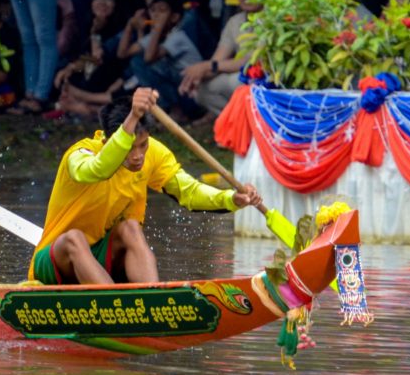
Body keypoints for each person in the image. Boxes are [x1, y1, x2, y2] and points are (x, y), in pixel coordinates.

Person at [30, 88, 259, 285]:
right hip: (54, 261)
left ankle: (152, 296)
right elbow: (99, 168)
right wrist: (132, 116)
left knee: (130, 227)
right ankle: (113, 302)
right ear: (108, 141)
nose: (138, 156)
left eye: (143, 145)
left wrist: (231, 199)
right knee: (74, 238)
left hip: (102, 257)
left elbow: (189, 191)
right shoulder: (80, 155)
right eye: (131, 148)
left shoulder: (153, 154)